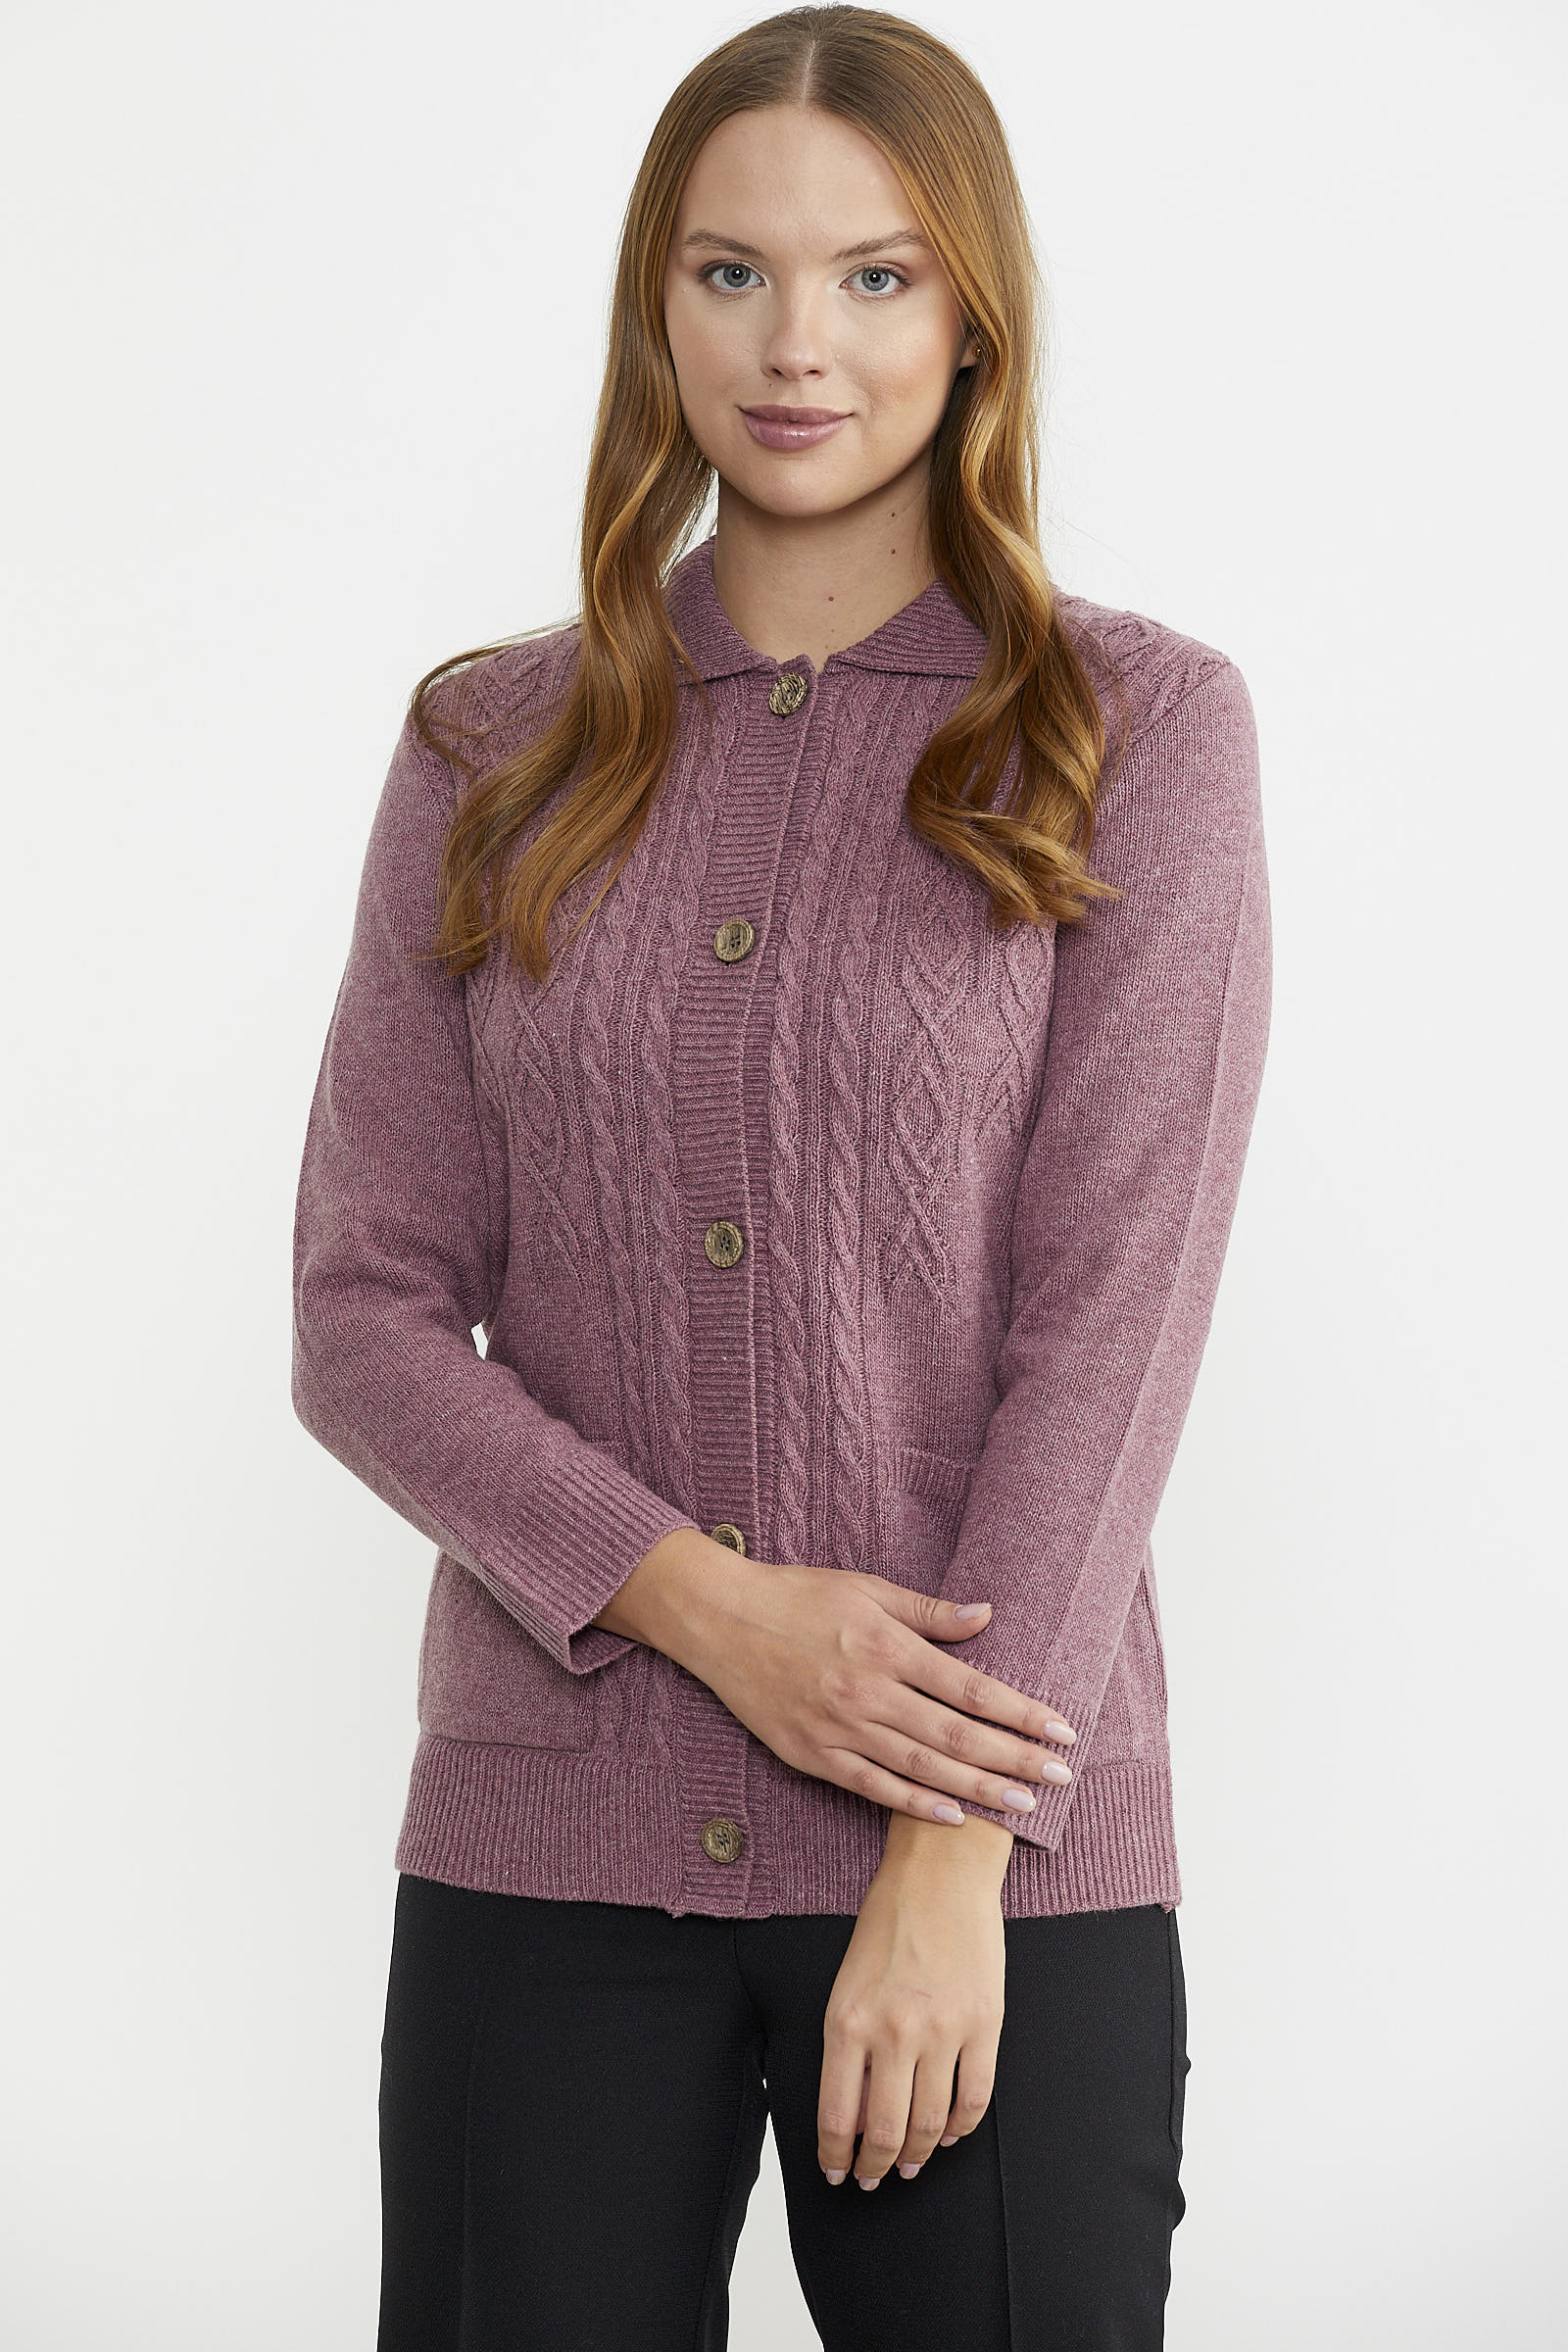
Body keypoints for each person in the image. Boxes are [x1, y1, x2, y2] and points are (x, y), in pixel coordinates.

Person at [289, 7, 1272, 2345]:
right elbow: (362, 1314)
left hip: (986, 1871)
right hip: (546, 1847)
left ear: (972, 314)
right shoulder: (489, 744)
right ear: (657, 304)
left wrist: (947, 1852)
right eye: (728, 272)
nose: (793, 344)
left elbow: (1111, 1321)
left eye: (873, 276)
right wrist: (720, 1612)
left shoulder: (1131, 726)